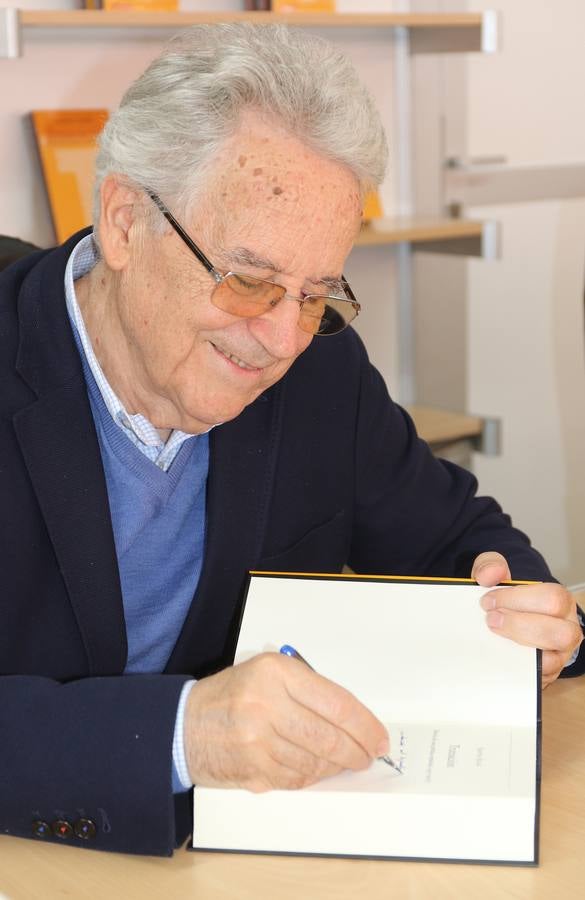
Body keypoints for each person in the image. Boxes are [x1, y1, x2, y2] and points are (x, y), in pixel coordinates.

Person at [1, 23, 583, 858]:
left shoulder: (320, 371)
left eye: (316, 293)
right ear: (126, 222)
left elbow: (464, 542)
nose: (281, 338)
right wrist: (179, 734)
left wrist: (534, 616)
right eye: (248, 281)